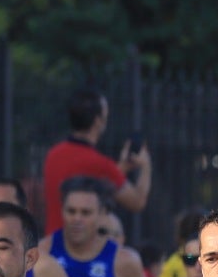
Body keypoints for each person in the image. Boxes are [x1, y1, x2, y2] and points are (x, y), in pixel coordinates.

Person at [40, 89, 152, 230]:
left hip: (53, 243)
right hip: (79, 246)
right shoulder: (100, 164)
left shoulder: (53, 155)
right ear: (98, 121)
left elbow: (92, 179)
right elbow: (137, 202)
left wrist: (121, 168)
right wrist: (146, 165)